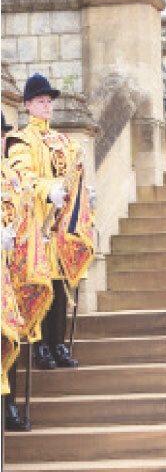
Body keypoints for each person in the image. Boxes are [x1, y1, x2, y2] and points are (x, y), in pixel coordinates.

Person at [7, 74, 80, 370]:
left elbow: (74, 173)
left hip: (59, 227)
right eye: (41, 101)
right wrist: (49, 190)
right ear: (28, 106)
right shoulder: (20, 140)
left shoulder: (64, 141)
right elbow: (24, 178)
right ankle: (39, 348)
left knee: (61, 288)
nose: (47, 106)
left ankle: (58, 344)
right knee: (40, 287)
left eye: (49, 101)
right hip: (36, 226)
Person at [2, 112, 31, 431]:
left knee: (10, 337)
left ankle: (8, 405)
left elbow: (27, 210)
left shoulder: (13, 176)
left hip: (11, 272)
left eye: (2, 136)